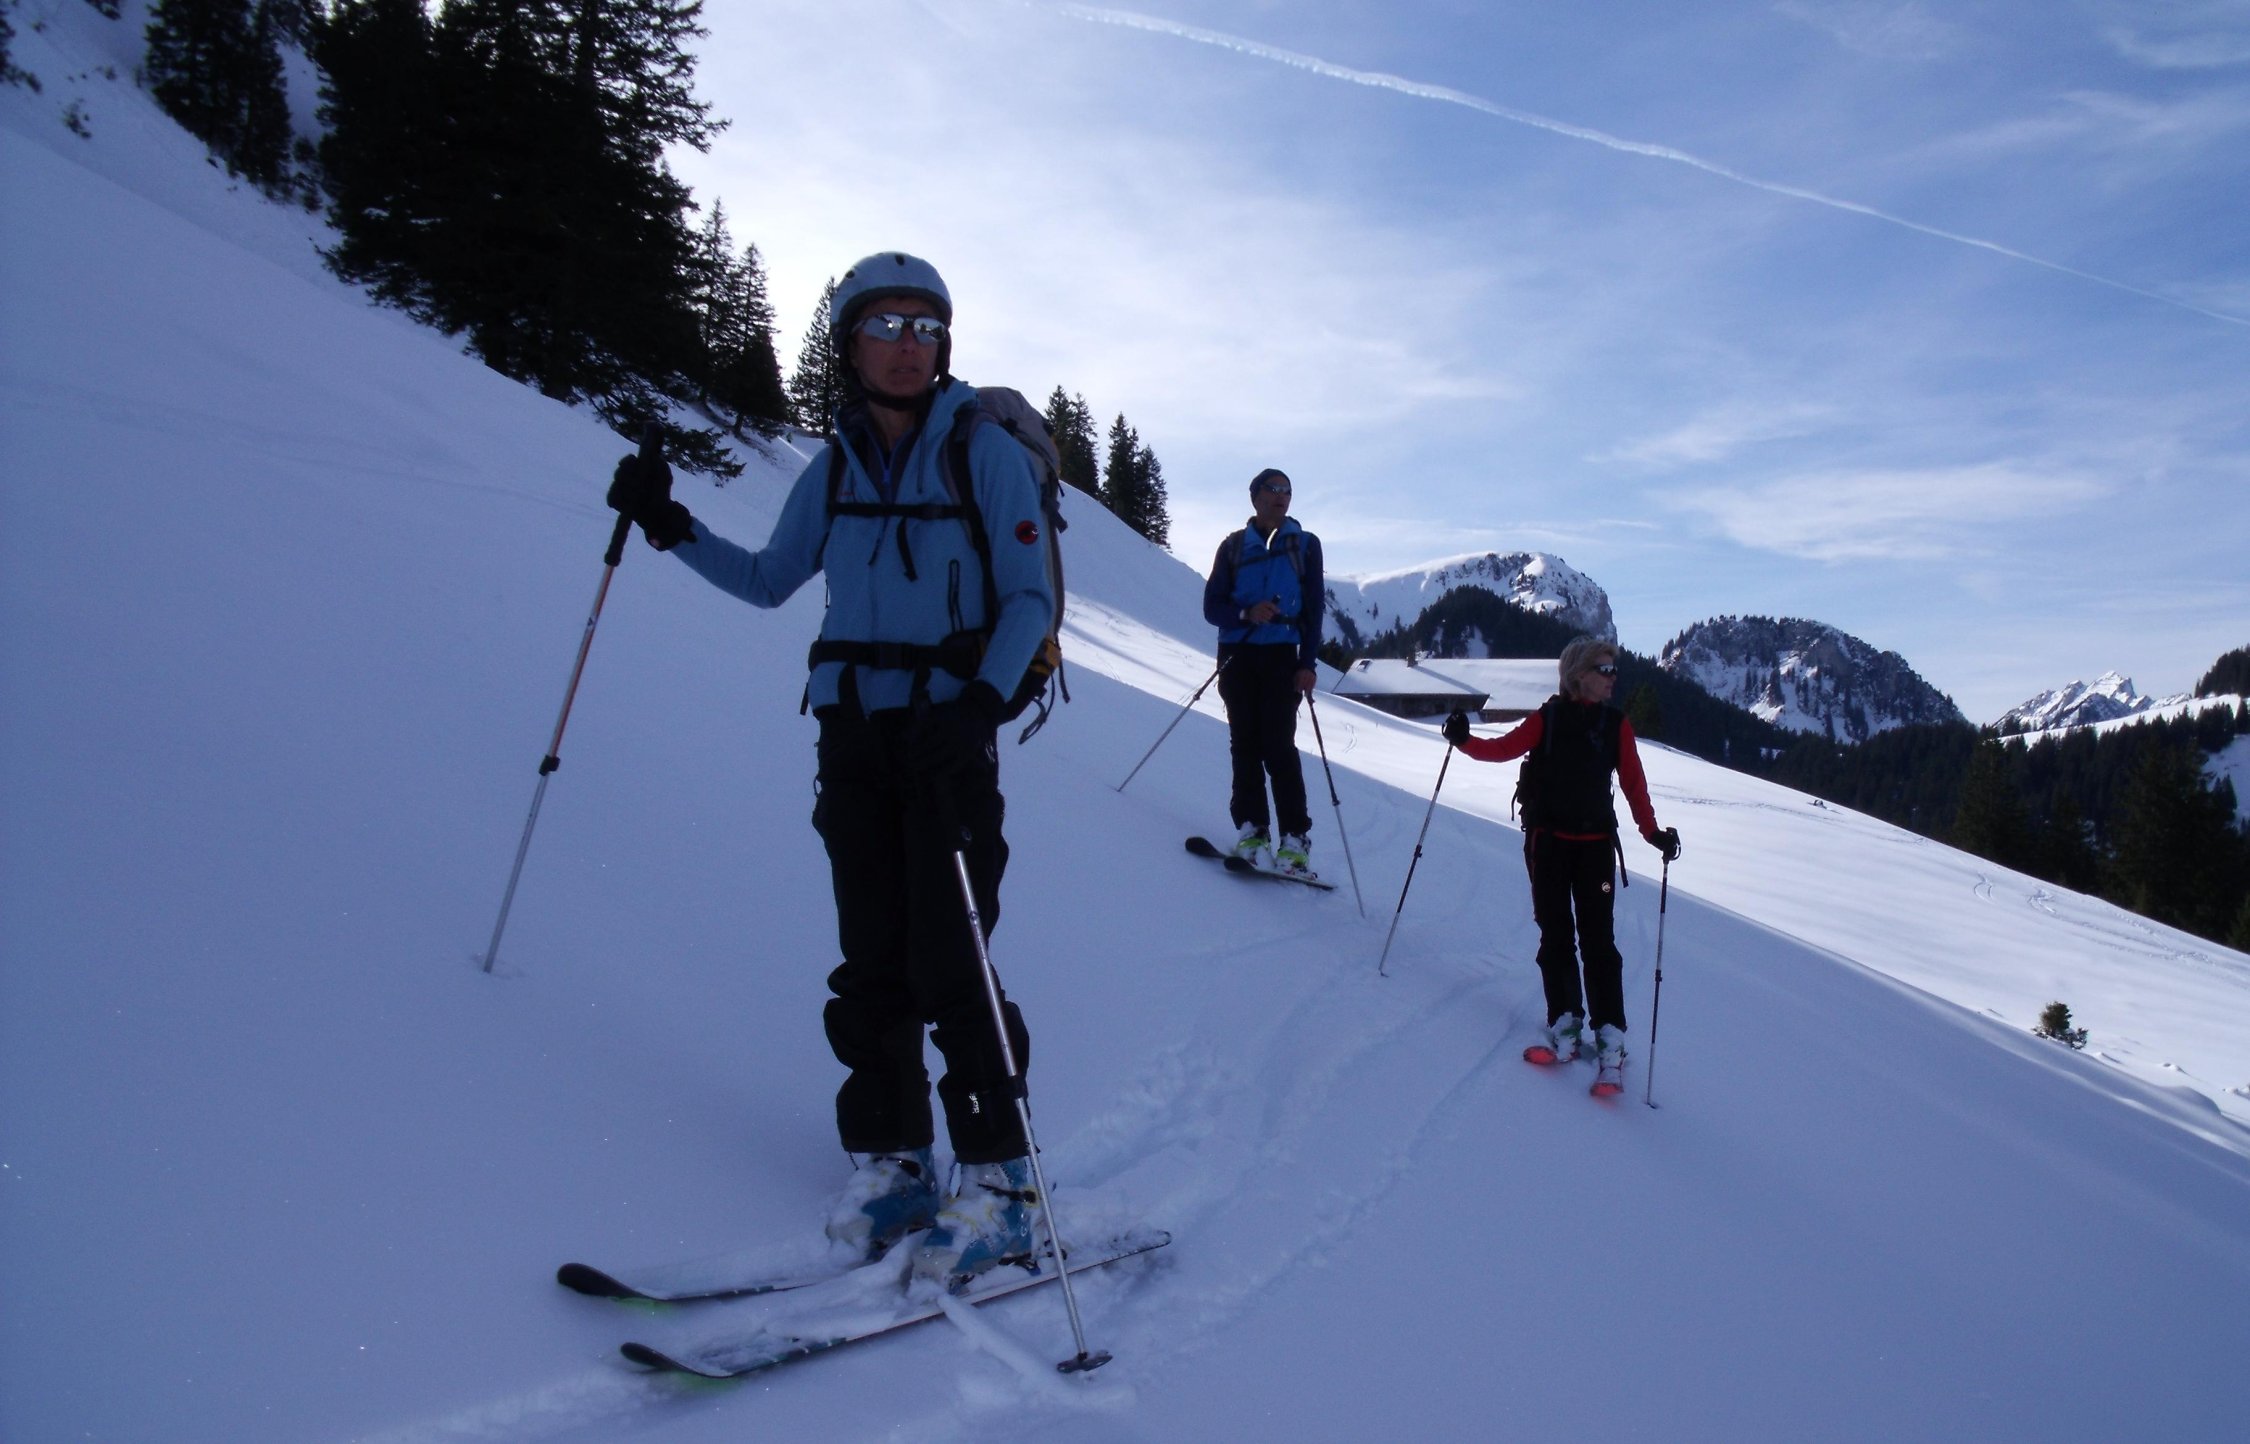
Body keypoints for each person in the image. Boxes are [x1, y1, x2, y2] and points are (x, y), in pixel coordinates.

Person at [604, 252, 1053, 1288]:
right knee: (872, 958)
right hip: (852, 739)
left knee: (952, 960)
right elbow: (770, 580)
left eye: (924, 328)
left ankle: (1002, 1185)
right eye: (885, 326)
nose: (908, 346)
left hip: (946, 739)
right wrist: (670, 527)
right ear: (849, 344)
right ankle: (896, 1162)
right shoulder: (837, 466)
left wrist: (979, 706)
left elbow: (1028, 599)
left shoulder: (981, 452)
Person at [1442, 637, 1681, 1088]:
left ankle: (1610, 1038)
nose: (1613, 678)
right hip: (1549, 844)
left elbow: (1634, 785)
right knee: (1556, 934)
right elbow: (1503, 749)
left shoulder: (1616, 725)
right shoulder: (1548, 718)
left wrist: (1653, 833)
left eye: (1613, 670)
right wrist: (1464, 740)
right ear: (1578, 674)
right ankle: (1566, 1023)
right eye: (1604, 670)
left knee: (1598, 941)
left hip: (1594, 849)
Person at [1202, 468, 1325, 878]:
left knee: (1278, 746)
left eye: (1287, 490)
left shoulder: (1306, 545)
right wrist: (1245, 613)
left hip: (1281, 657)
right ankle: (1252, 830)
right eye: (1273, 489)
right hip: (1237, 654)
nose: (1281, 496)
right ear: (1255, 497)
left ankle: (1294, 839)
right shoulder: (1233, 546)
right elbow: (1211, 607)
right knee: (1244, 744)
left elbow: (1314, 610)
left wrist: (1307, 663)